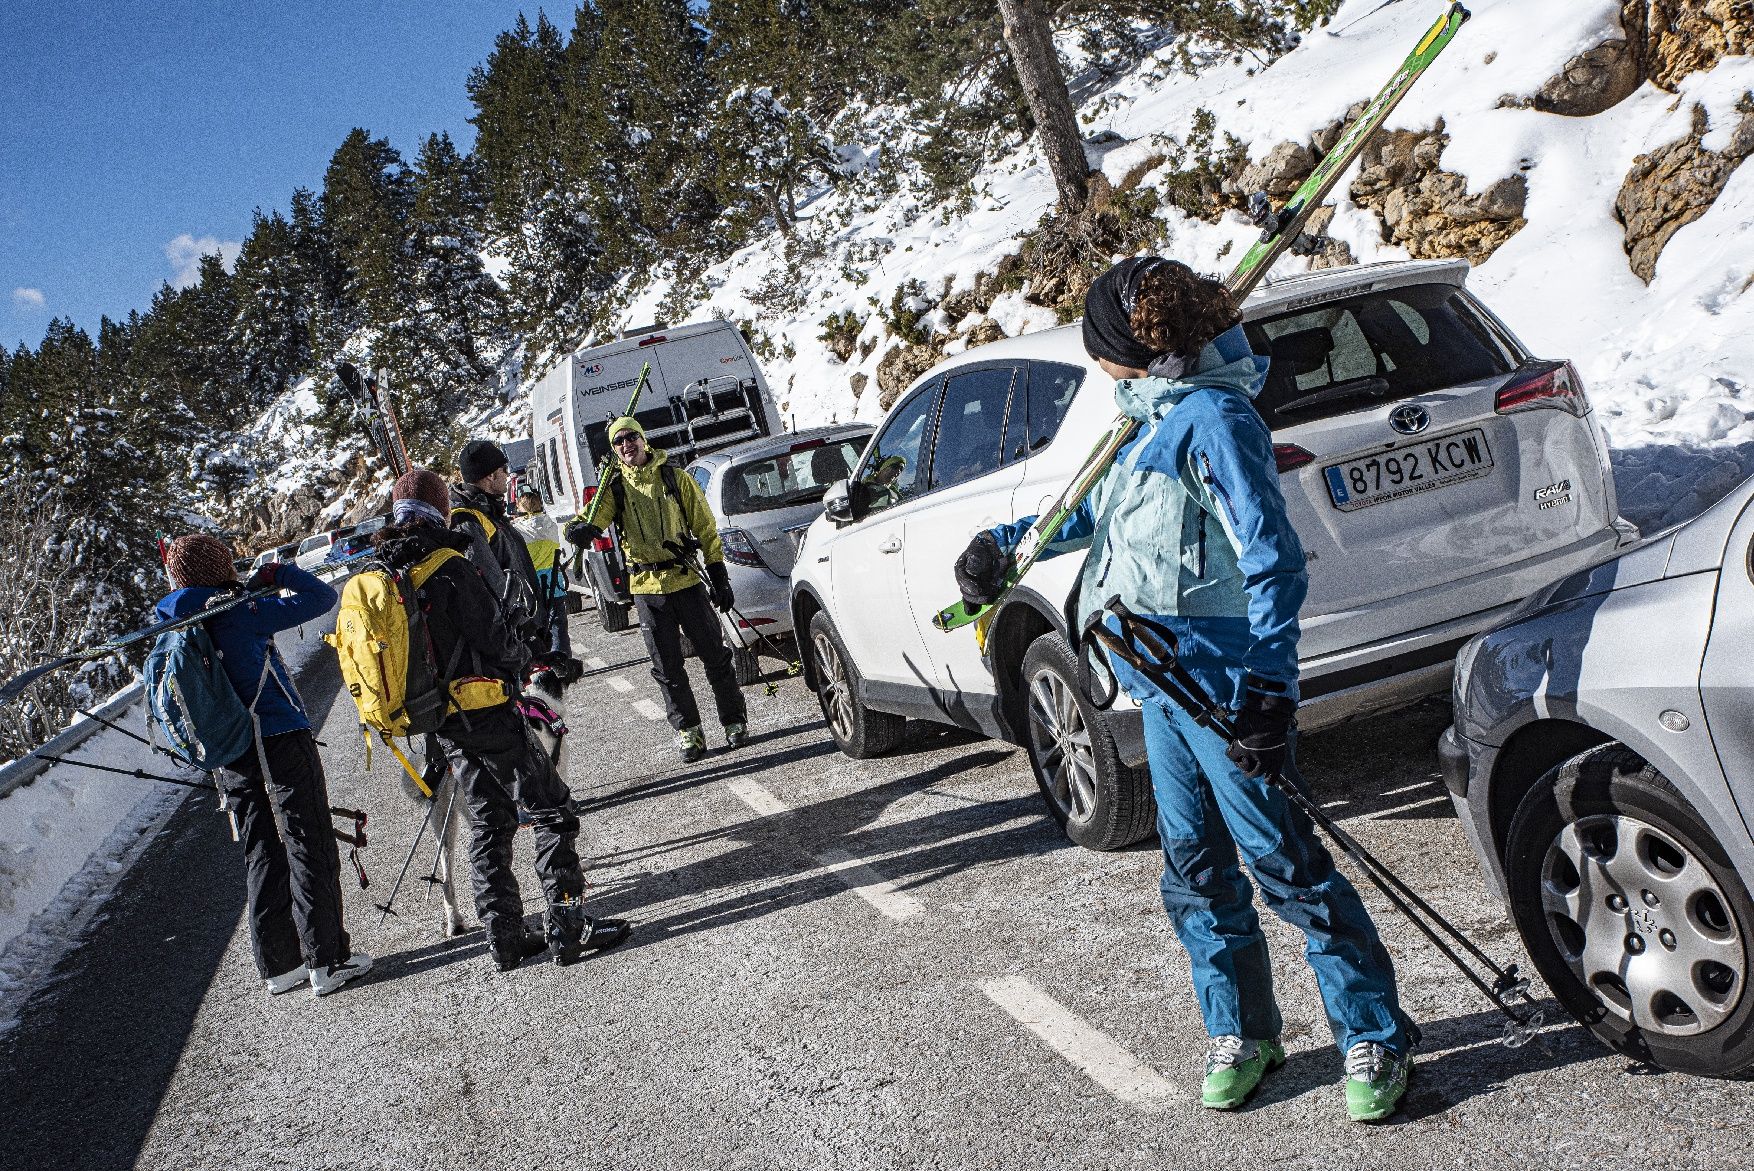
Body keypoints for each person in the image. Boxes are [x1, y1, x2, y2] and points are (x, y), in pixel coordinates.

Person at [953, 257, 1418, 1121]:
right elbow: (1099, 513)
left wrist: (1268, 691)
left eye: (1097, 345)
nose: (1095, 362)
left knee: (1285, 865)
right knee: (1195, 866)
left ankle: (1376, 1033)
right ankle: (1242, 1030)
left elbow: (1273, 560)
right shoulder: (1147, 417)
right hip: (1154, 677)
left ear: (1122, 347)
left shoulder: (1213, 419)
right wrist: (1003, 542)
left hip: (1220, 676)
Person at [376, 469, 629, 970]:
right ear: (437, 509)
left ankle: (505, 939)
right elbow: (498, 644)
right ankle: (569, 926)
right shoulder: (449, 567)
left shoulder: (389, 573)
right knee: (553, 811)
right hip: (488, 710)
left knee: (490, 824)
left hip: (444, 724)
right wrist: (520, 651)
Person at [156, 534, 371, 998]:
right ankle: (327, 960)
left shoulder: (178, 624)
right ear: (220, 568)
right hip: (278, 738)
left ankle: (280, 966)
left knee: (260, 850)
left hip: (230, 751)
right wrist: (280, 574)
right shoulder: (239, 612)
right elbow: (321, 597)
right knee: (308, 840)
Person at [564, 417, 746, 763]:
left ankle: (734, 721)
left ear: (644, 439)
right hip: (646, 587)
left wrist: (718, 574)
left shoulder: (675, 478)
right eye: (618, 442)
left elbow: (705, 527)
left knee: (715, 656)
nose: (626, 445)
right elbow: (593, 518)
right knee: (667, 667)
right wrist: (580, 530)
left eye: (631, 437)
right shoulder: (614, 486)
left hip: (686, 580)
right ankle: (689, 731)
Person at [450, 439, 546, 664]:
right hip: (510, 638)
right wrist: (527, 629)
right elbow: (495, 585)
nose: (508, 473)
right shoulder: (468, 520)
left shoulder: (489, 510)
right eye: (503, 469)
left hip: (519, 630)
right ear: (490, 476)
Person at [511, 483, 574, 666]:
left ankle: (543, 664)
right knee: (558, 625)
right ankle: (563, 661)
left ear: (520, 506)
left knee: (536, 627)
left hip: (531, 587)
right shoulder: (550, 523)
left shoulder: (517, 530)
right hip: (555, 583)